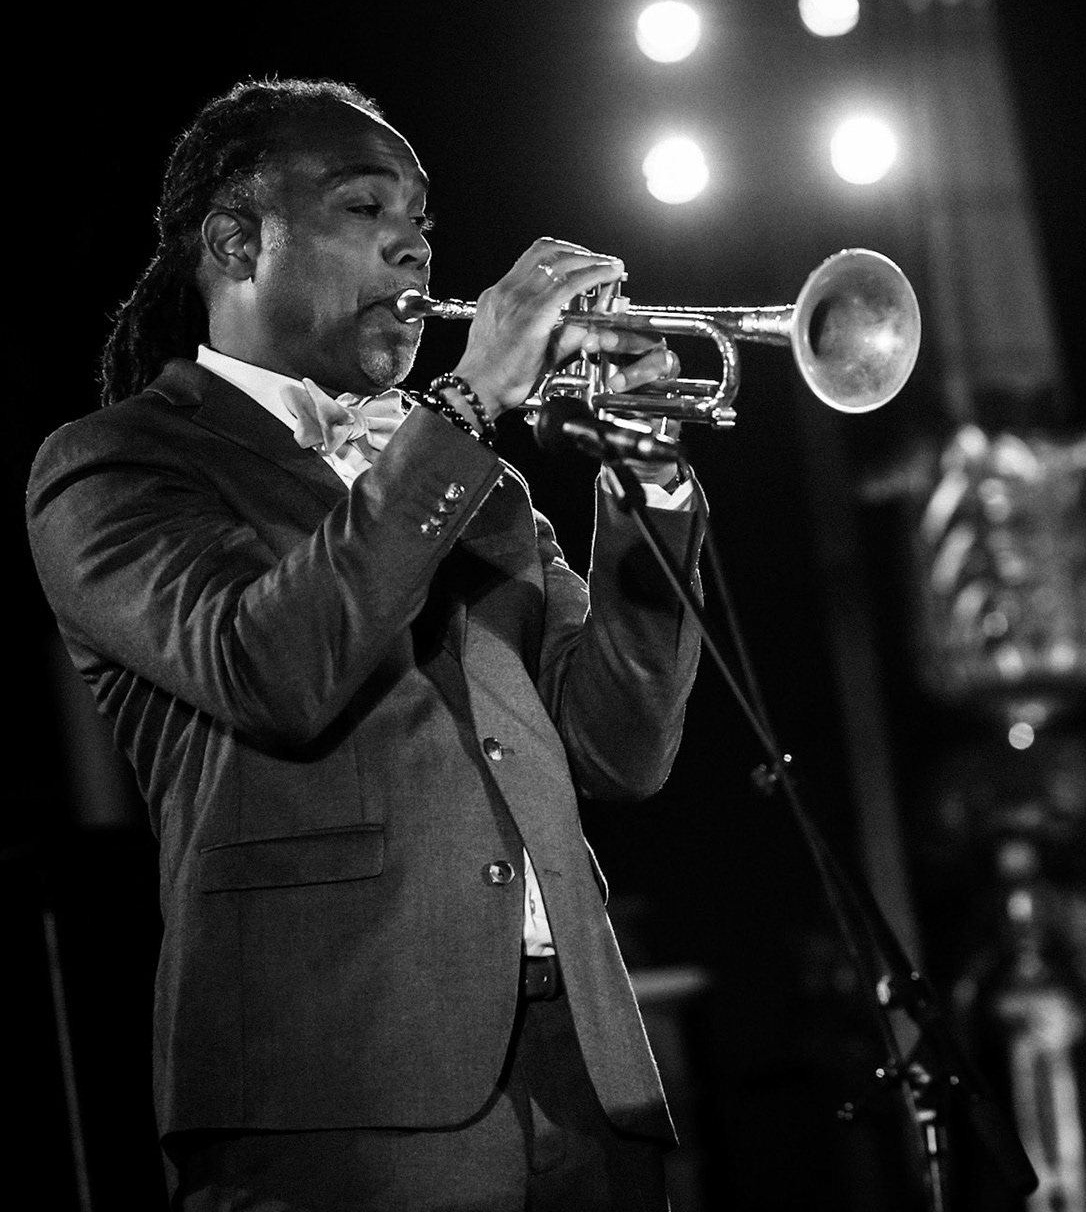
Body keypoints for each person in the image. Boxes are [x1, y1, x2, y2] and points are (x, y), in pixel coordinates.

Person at [26, 77, 703, 1209]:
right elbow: (269, 665)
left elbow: (620, 748)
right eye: (364, 211)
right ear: (237, 244)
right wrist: (471, 407)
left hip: (583, 1083)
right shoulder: (117, 464)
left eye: (424, 226)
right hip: (337, 1090)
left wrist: (649, 481)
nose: (416, 253)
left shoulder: (471, 485)